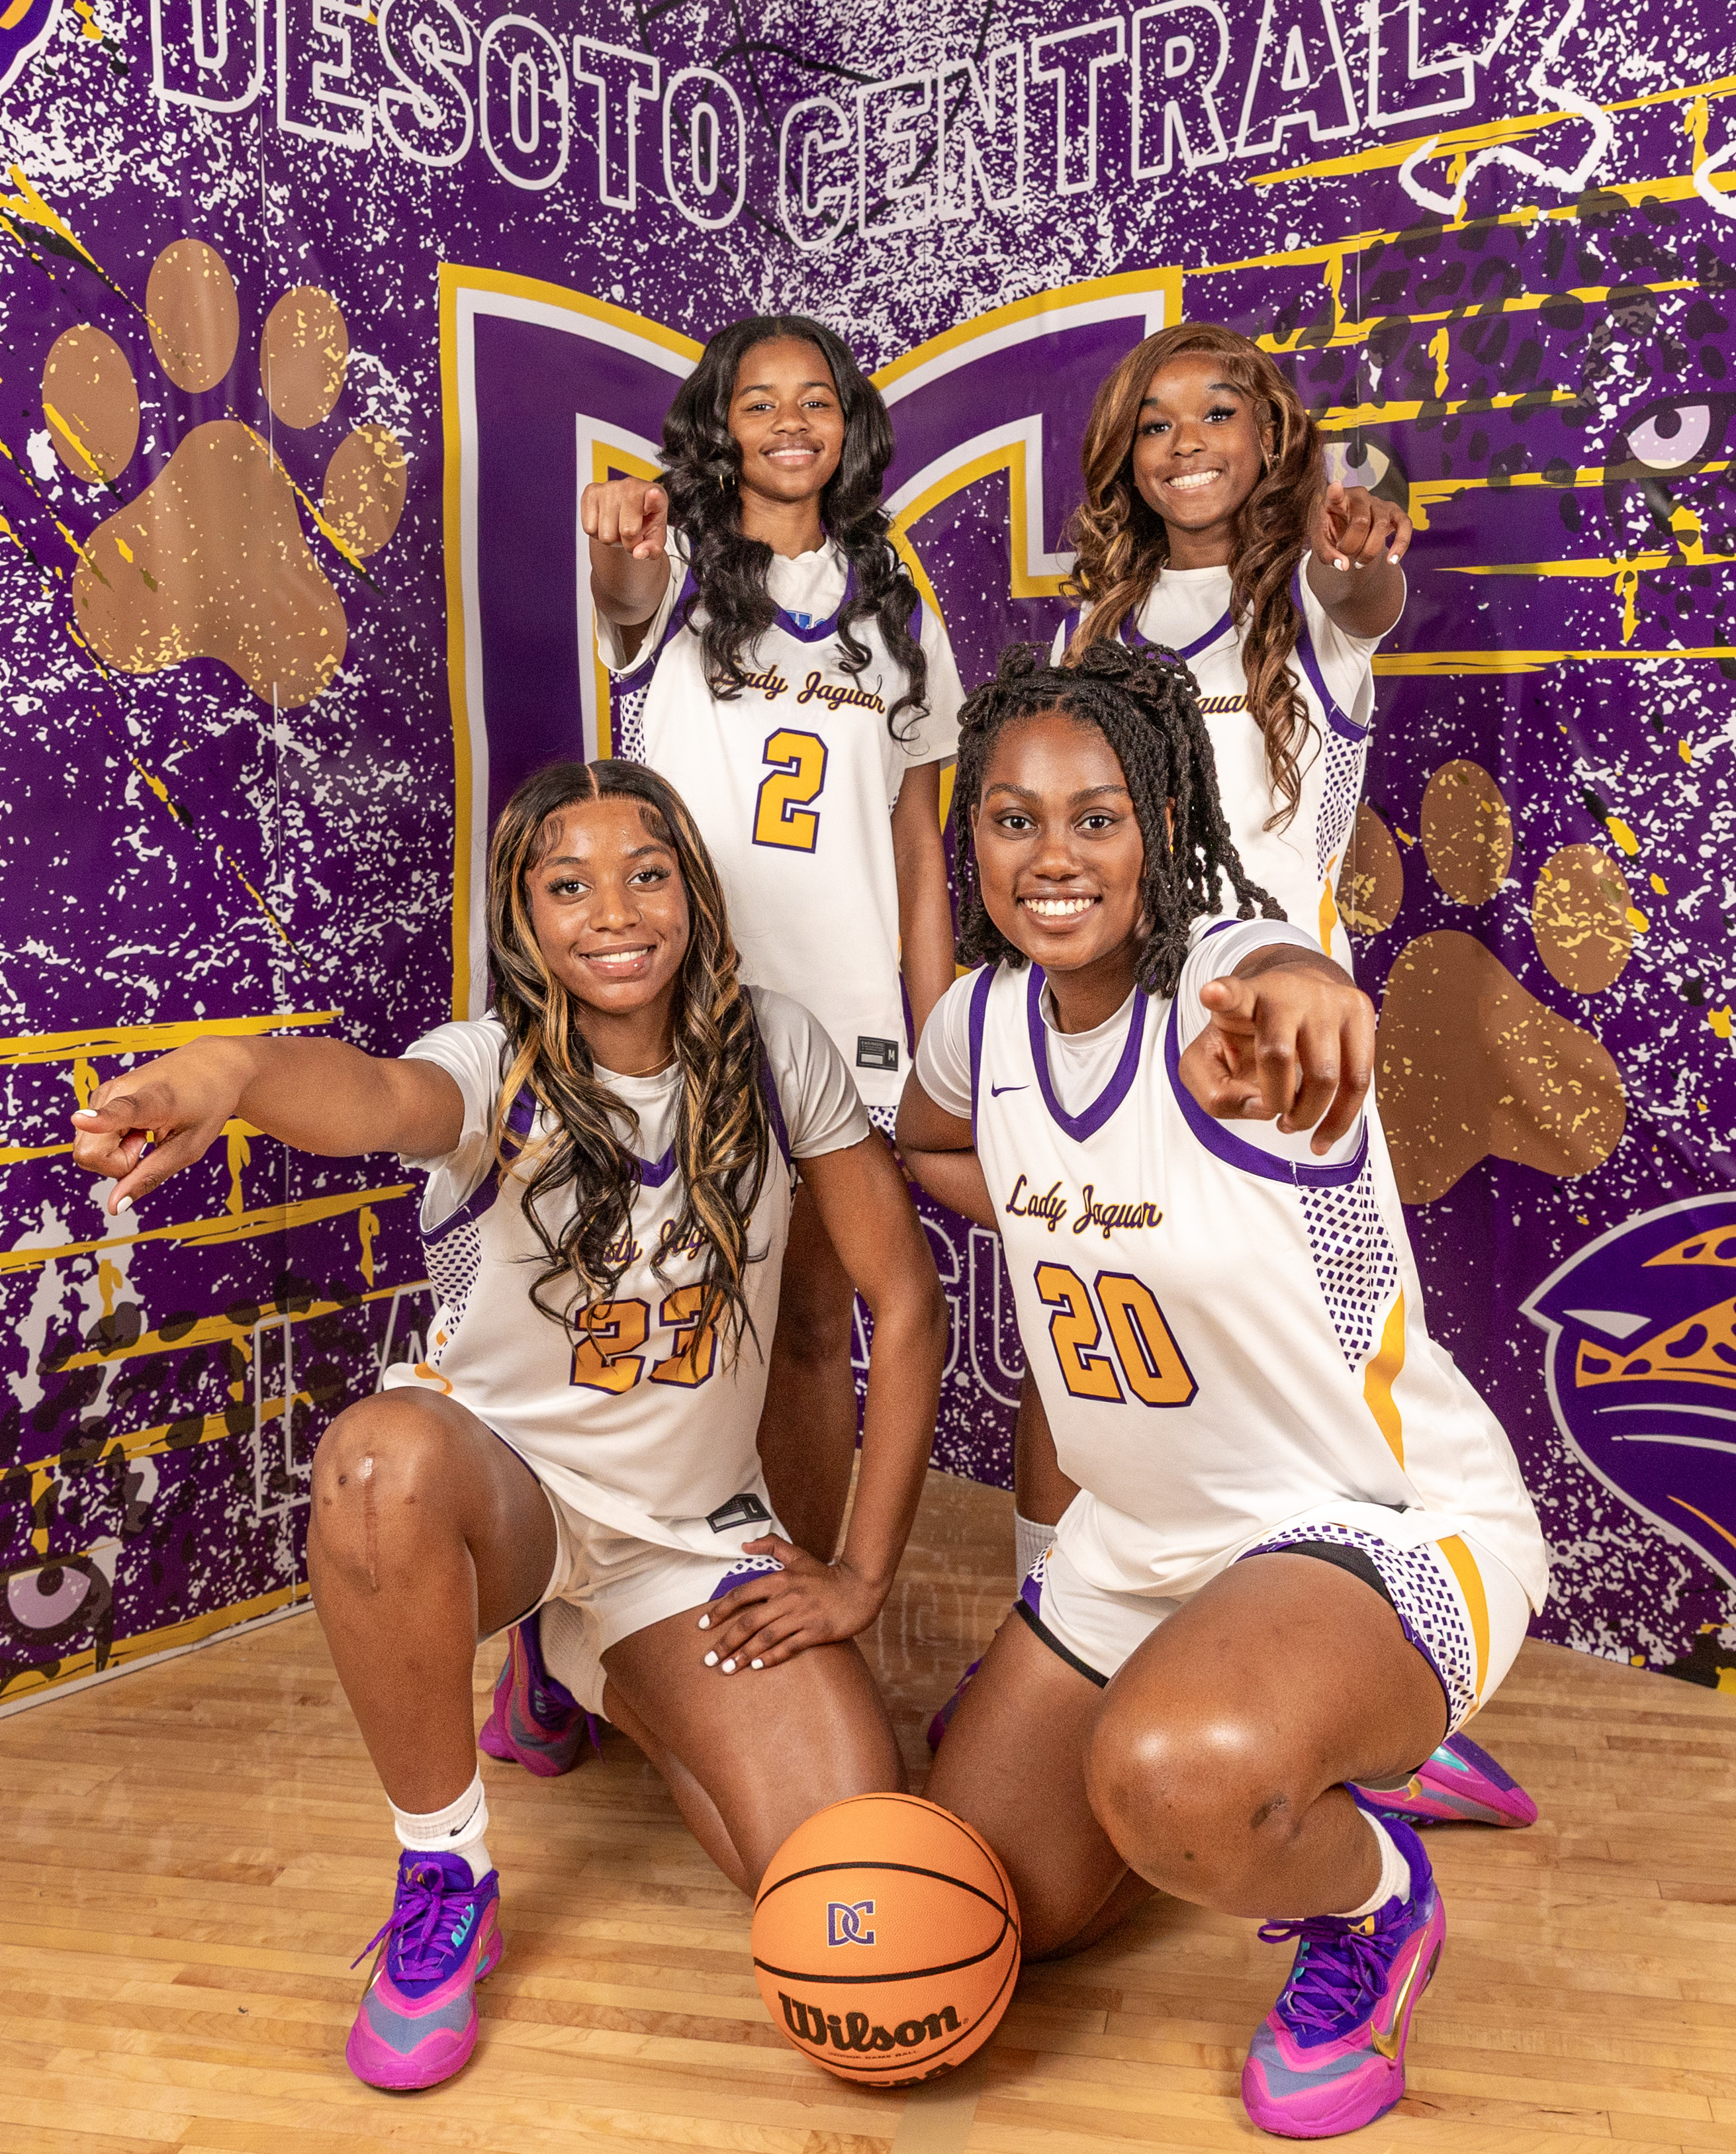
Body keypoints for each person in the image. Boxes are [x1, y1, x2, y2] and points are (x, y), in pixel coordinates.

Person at [70, 759, 947, 2096]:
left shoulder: (779, 1049)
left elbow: (904, 1298)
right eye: (568, 884)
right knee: (376, 1459)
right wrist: (229, 1071)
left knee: (854, 1873)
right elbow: (365, 1098)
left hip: (684, 1540)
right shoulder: (487, 1069)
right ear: (523, 917)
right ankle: (445, 1869)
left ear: (695, 896)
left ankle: (590, 1671)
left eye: (645, 874)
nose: (613, 912)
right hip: (508, 1506)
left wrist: (861, 1576)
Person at [899, 643, 1547, 2139]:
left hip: (1379, 1526)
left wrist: (1303, 991)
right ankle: (1307, 1744)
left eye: (1099, 817)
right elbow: (933, 1139)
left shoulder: (1221, 1010)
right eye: (1012, 819)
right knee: (1008, 1900)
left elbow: (1270, 979)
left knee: (1175, 1780)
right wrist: (1044, 1196)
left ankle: (1373, 1900)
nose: (1052, 856)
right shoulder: (982, 1027)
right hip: (1139, 1546)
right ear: (976, 840)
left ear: (1163, 833)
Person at [985, 322, 1533, 1838]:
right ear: (1122, 459)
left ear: (1268, 433)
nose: (1183, 441)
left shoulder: (1302, 598)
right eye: (1150, 422)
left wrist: (1354, 558)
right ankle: (1121, 1620)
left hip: (1278, 1055)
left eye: (1217, 411)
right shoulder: (1091, 636)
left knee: (1341, 1375)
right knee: (1101, 1304)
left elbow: (1364, 596)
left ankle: (1392, 1680)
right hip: (1132, 1035)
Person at [580, 315, 963, 1567]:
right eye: (761, 401)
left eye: (816, 400)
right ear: (721, 425)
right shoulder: (679, 562)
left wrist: (937, 1035)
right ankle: (575, 1611)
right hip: (690, 1002)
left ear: (848, 426)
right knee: (650, 1315)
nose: (791, 422)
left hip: (845, 1017)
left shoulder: (898, 605)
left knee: (808, 1326)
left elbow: (919, 852)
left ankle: (795, 1583)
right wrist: (621, 538)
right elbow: (622, 595)